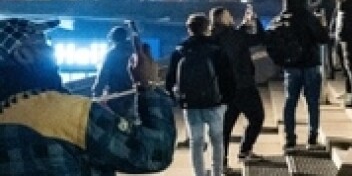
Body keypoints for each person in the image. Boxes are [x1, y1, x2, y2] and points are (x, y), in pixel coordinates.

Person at [0, 18, 176, 175]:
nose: (50, 48)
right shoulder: (66, 112)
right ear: (23, 55)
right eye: (43, 41)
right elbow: (153, 154)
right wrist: (148, 86)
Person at [166, 13, 236, 176]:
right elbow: (227, 76)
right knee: (217, 139)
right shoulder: (216, 49)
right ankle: (217, 172)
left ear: (189, 29)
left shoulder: (180, 51)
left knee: (196, 141)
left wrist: (176, 98)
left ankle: (199, 173)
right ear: (207, 28)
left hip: (190, 103)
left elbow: (170, 79)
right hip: (214, 102)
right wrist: (227, 99)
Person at [276, 0, 330, 151]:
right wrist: (322, 25)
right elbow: (323, 39)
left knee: (290, 102)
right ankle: (312, 138)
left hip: (291, 66)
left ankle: (290, 138)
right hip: (310, 64)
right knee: (312, 102)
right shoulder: (308, 17)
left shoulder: (282, 18)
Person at [210, 5, 265, 165]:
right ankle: (245, 150)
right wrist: (255, 21)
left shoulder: (213, 38)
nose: (231, 16)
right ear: (223, 19)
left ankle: (221, 161)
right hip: (243, 85)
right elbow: (259, 38)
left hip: (223, 88)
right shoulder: (235, 35)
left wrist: (242, 28)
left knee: (225, 126)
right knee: (257, 117)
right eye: (228, 15)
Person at [92, 25, 136, 118]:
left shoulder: (112, 54)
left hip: (117, 94)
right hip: (134, 93)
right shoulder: (134, 51)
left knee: (118, 120)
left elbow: (103, 74)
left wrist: (97, 92)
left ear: (112, 38)